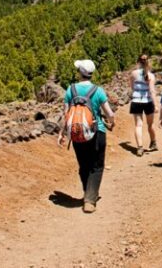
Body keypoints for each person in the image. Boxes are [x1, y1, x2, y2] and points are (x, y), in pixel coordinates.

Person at [57, 59, 115, 213]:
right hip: (97, 131)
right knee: (96, 166)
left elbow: (66, 113)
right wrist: (112, 122)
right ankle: (90, 199)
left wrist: (62, 133)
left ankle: (87, 192)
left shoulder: (71, 90)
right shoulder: (98, 90)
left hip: (77, 133)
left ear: (80, 73)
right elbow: (109, 113)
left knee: (84, 165)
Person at [129, 54, 157, 156]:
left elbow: (132, 87)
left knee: (138, 125)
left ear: (138, 62)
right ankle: (153, 143)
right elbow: (152, 91)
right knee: (150, 125)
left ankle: (139, 148)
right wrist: (156, 104)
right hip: (148, 101)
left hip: (136, 101)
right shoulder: (151, 76)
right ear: (148, 62)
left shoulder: (133, 74)